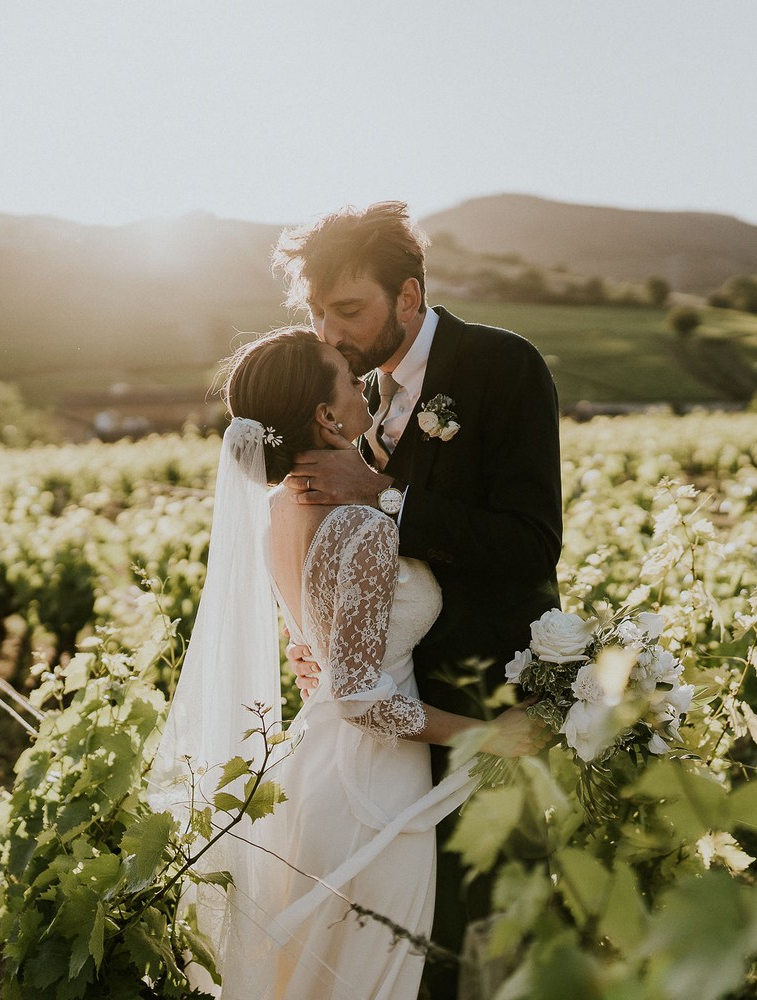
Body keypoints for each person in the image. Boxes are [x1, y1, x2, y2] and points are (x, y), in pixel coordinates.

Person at [149, 327, 546, 1000]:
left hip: (316, 770)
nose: (362, 383)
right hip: (375, 788)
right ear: (326, 415)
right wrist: (488, 735)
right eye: (343, 375)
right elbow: (361, 694)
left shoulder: (277, 509)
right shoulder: (360, 524)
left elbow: (322, 646)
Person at [274, 202, 564, 1000]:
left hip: (485, 693)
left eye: (349, 309)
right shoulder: (354, 395)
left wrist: (388, 497)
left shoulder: (503, 366)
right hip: (391, 719)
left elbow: (533, 545)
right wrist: (328, 647)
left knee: (491, 928)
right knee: (406, 942)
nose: (328, 332)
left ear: (408, 297)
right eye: (316, 313)